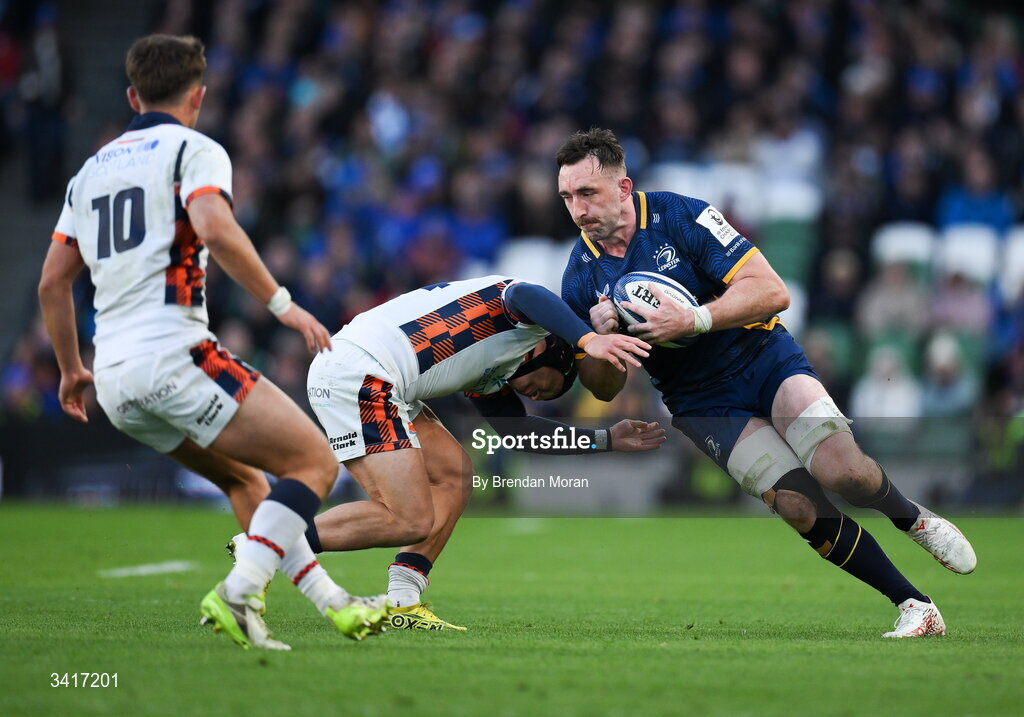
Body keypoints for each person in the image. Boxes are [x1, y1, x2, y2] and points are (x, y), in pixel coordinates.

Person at [37, 34, 388, 651]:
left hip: (115, 382)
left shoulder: (87, 175)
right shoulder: (193, 149)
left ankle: (330, 603)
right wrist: (284, 305)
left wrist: (70, 369)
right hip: (174, 354)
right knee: (315, 462)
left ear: (131, 95)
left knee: (245, 483)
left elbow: (51, 283)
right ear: (197, 97)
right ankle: (235, 592)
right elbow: (215, 228)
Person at [556, 128, 977, 639]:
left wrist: (693, 321)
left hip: (762, 358)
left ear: (623, 189)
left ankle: (912, 519)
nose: (577, 210)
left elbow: (773, 291)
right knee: (798, 505)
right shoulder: (579, 278)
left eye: (587, 194)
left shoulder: (681, 215)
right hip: (699, 400)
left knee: (842, 471)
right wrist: (601, 344)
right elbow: (600, 387)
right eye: (567, 197)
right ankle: (915, 604)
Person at [285, 275, 665, 630]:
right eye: (547, 388)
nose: (534, 396)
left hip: (366, 370)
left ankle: (402, 599)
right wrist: (587, 339)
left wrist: (605, 440)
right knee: (409, 519)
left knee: (456, 473)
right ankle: (269, 542)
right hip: (364, 374)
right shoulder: (529, 324)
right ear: (554, 355)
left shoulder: (492, 366)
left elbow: (522, 435)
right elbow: (523, 292)